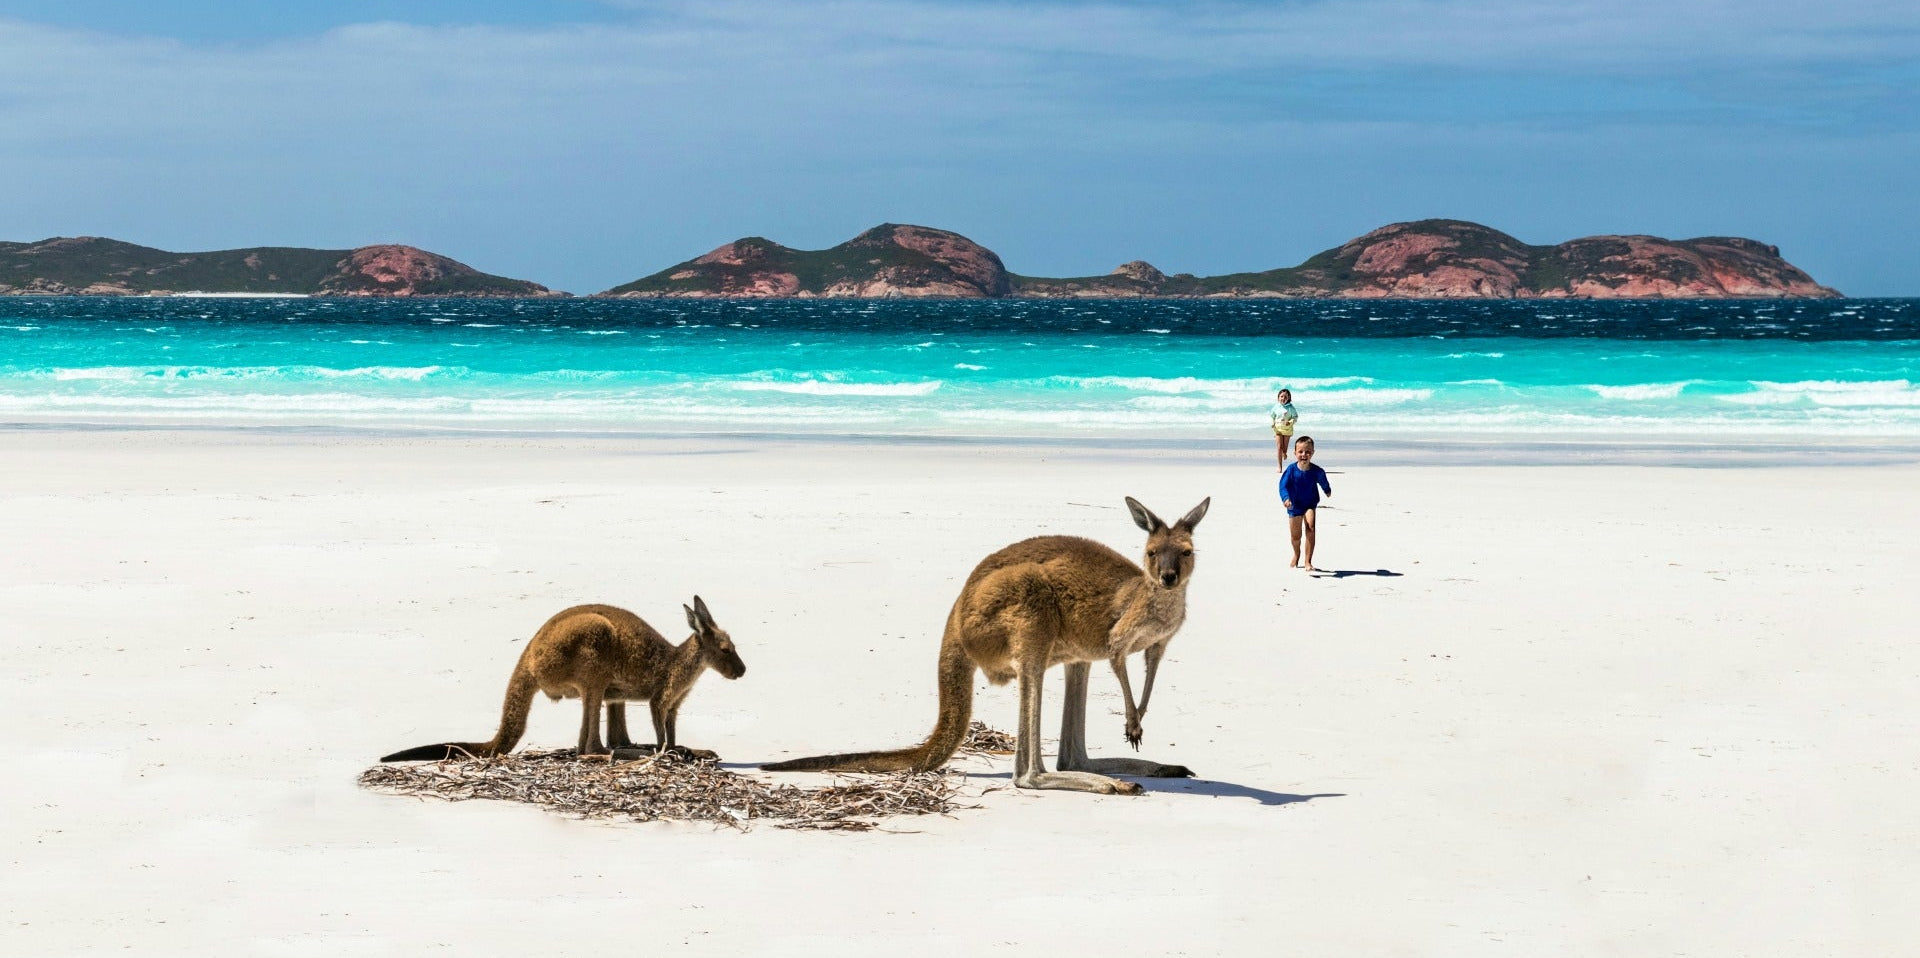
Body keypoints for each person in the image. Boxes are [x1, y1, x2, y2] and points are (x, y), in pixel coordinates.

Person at [1279, 435, 1332, 572]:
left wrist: (1327, 490)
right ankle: (1296, 554)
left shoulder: (1316, 470)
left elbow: (1322, 478)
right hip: (1294, 505)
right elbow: (1282, 486)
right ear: (1295, 453)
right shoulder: (1291, 470)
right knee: (1295, 537)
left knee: (1311, 527)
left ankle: (1308, 561)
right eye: (1301, 452)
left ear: (1312, 453)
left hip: (1309, 504)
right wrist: (1286, 498)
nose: (1304, 454)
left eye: (1307, 452)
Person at [1268, 388, 1298, 471]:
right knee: (1279, 447)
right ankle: (1279, 466)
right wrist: (1272, 422)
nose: (1283, 398)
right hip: (1278, 429)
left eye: (1285, 397)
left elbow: (1295, 417)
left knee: (1284, 448)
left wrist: (1290, 422)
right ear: (1278, 397)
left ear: (1288, 398)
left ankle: (1284, 453)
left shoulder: (1291, 408)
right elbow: (1272, 416)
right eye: (1281, 396)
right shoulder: (1276, 407)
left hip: (1287, 429)